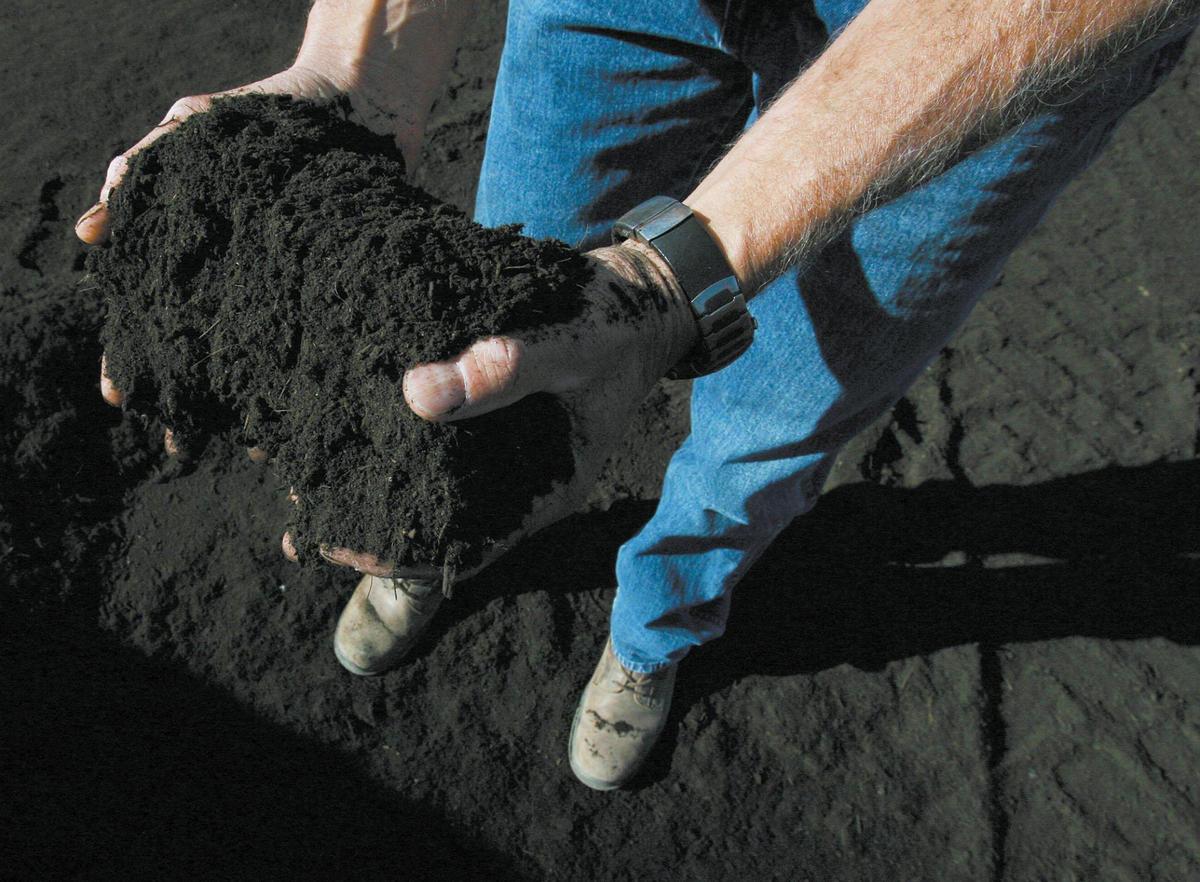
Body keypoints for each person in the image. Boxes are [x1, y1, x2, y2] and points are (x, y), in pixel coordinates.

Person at [76, 0, 1196, 791]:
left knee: (785, 407)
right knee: (496, 319)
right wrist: (351, 65)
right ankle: (432, 537)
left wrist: (673, 281)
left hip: (987, 27)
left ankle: (658, 624)